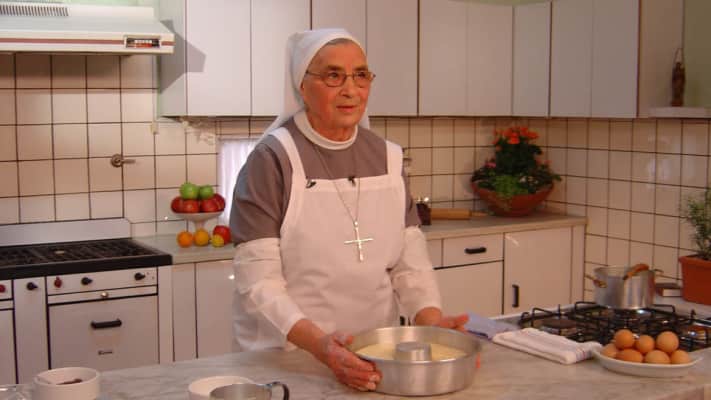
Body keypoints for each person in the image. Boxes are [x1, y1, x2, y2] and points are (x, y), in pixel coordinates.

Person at [229, 28, 468, 392]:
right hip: (291, 359)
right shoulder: (272, 160)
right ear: (302, 86)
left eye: (360, 75)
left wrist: (431, 323)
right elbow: (259, 283)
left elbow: (410, 264)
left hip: (377, 358)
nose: (351, 90)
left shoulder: (388, 157)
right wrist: (322, 348)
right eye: (333, 76)